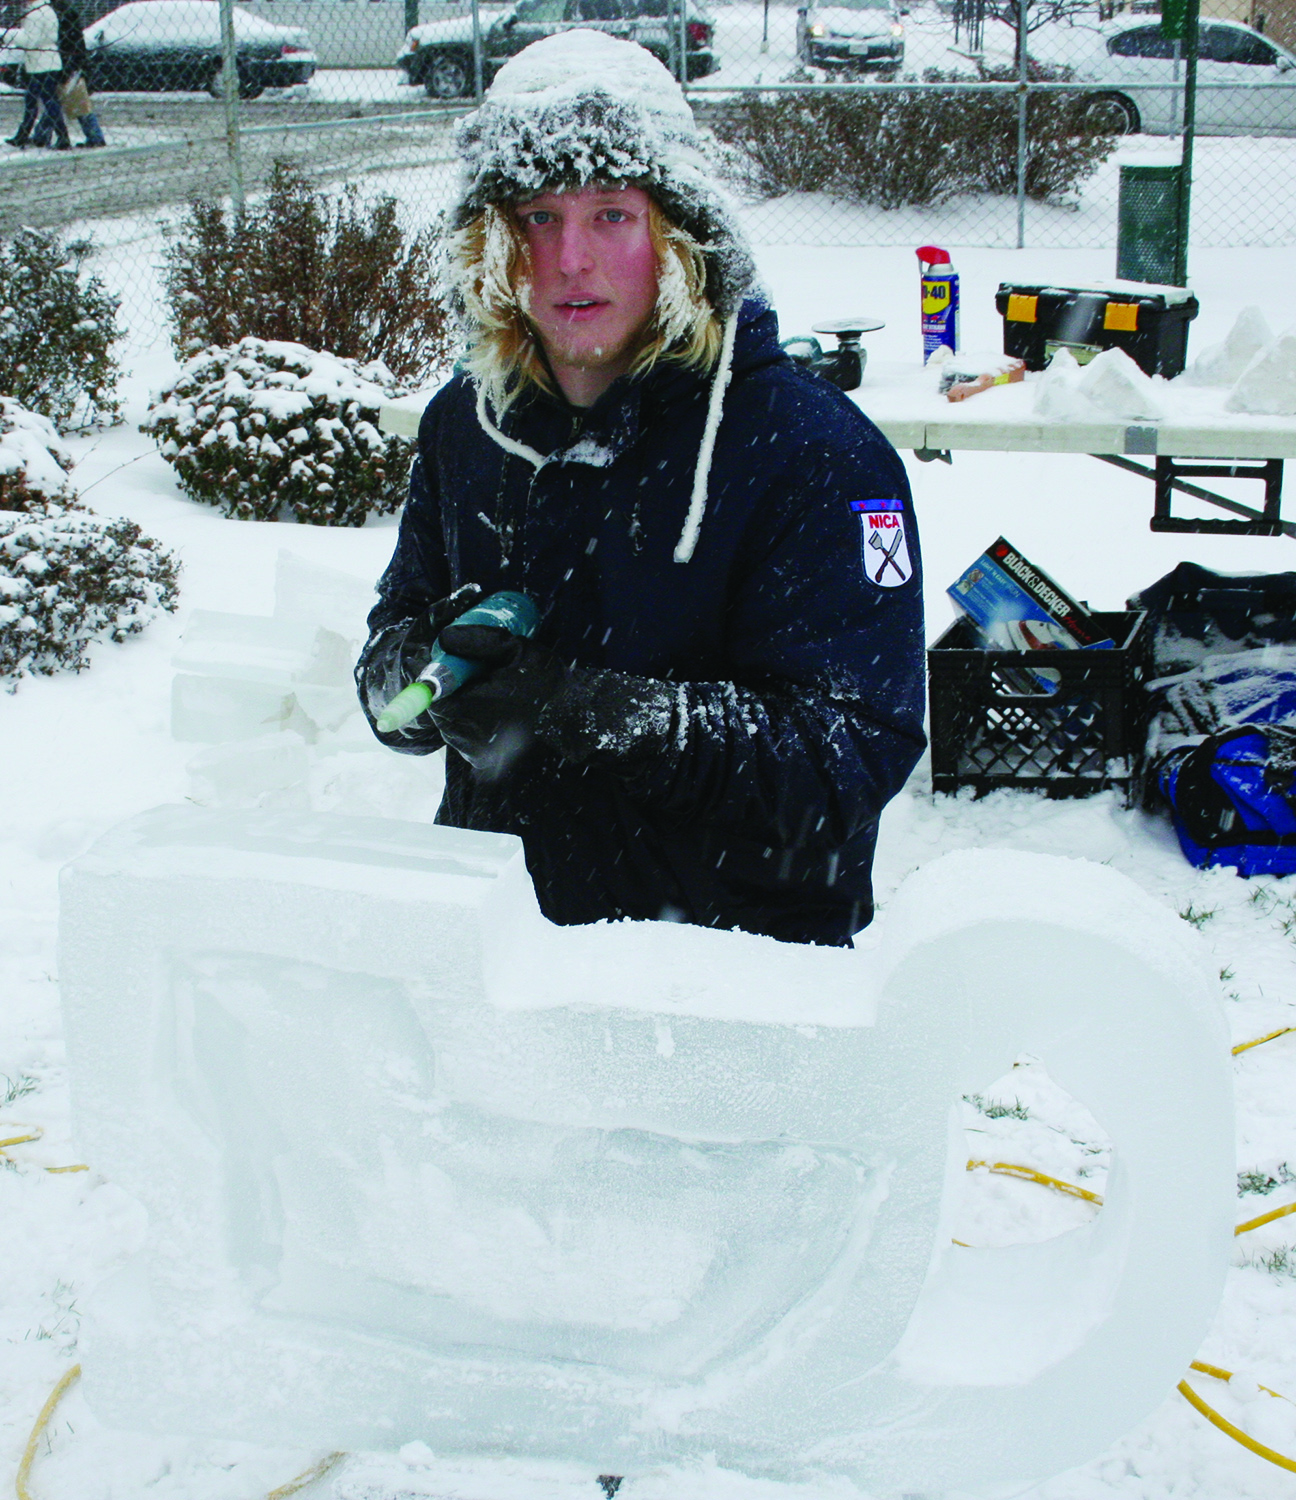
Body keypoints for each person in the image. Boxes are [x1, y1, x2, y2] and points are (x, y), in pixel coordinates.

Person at [356, 29, 926, 947]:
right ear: (492, 243)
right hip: (502, 949)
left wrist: (575, 706)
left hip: (730, 969)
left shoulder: (816, 452)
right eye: (538, 218)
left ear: (680, 232)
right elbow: (393, 648)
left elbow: (848, 758)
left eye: (611, 215)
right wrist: (421, 679)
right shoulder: (467, 424)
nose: (569, 259)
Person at [5, 0, 71, 150]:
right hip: (49, 60)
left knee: (41, 101)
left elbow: (30, 41)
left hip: (40, 64)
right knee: (45, 100)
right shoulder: (47, 10)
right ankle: (27, 134)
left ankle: (61, 136)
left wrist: (8, 36)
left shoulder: (34, 14)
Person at [43, 0, 107, 149]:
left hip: (64, 62)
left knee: (61, 100)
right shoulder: (65, 12)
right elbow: (76, 42)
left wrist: (69, 64)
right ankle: (93, 135)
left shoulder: (56, 14)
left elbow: (68, 42)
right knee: (64, 99)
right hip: (70, 62)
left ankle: (94, 135)